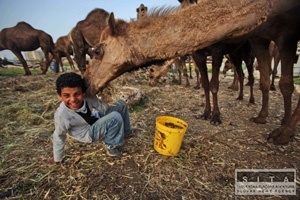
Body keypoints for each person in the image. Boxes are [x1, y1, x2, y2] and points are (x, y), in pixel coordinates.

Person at [52, 72, 134, 163]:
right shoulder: (62, 114)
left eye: (77, 94)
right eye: (67, 95)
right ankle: (111, 145)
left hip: (94, 120)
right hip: (87, 133)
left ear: (83, 92)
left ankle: (126, 131)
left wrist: (102, 93)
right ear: (59, 96)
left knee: (121, 104)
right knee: (115, 117)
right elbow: (59, 136)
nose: (73, 99)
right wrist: (58, 158)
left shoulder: (87, 98)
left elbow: (103, 108)